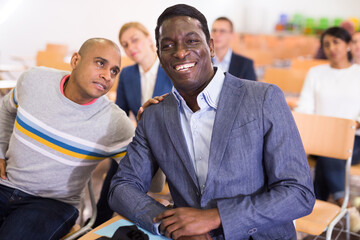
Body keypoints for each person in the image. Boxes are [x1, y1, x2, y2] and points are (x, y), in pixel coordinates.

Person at [108, 4, 315, 240]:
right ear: (160, 57)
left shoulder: (263, 98)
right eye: (168, 46)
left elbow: (299, 193)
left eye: (192, 41)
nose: (180, 52)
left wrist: (216, 217)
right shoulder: (155, 115)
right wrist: (176, 226)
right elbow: (121, 187)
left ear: (211, 46)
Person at [0, 38, 135, 239]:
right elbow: (6, 109)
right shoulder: (33, 80)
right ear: (75, 60)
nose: (107, 75)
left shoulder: (115, 122)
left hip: (51, 204)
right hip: (5, 184)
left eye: (114, 71)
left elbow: (150, 183)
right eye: (100, 63)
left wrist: (151, 132)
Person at [94, 22, 173, 227]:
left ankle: (154, 218)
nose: (131, 48)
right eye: (125, 45)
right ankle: (99, 220)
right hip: (141, 141)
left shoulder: (170, 67)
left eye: (135, 40)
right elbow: (119, 111)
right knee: (118, 160)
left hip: (170, 142)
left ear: (149, 39)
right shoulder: (128, 74)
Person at [296, 26, 360, 232]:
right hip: (320, 138)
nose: (331, 48)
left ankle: (320, 204)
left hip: (354, 139)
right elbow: (305, 107)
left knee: (330, 152)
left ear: (349, 45)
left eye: (336, 42)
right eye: (326, 44)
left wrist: (349, 126)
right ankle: (345, 206)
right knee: (328, 149)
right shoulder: (315, 73)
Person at [211, 17, 257, 81]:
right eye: (214, 30)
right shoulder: (203, 61)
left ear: (232, 35)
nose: (217, 34)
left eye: (222, 31)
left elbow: (251, 90)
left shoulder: (245, 64)